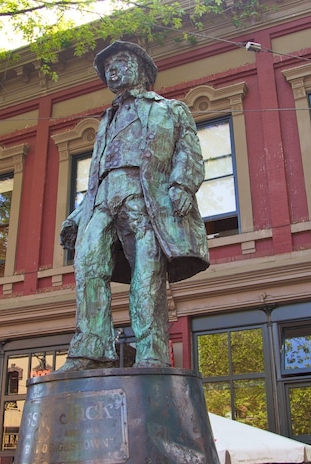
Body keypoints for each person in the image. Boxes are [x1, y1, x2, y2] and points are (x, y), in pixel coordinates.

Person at [57, 40, 208, 371]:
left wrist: (183, 184)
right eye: (107, 68)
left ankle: (151, 352)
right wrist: (77, 215)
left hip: (146, 197)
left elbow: (189, 151)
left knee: (147, 273)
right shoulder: (106, 120)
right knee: (88, 265)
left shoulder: (171, 109)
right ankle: (91, 348)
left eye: (120, 62)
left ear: (142, 68)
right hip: (103, 200)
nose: (112, 70)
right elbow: (97, 174)